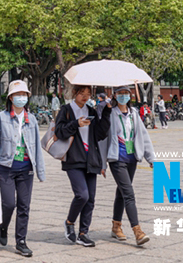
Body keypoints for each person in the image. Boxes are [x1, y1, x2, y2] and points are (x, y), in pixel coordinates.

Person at [0, 80, 45, 258]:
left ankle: (21, 241)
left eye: (24, 95)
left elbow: (36, 147)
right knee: (8, 204)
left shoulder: (32, 119)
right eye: (18, 95)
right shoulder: (0, 118)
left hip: (26, 169)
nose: (21, 98)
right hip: (6, 168)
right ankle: (3, 227)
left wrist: (40, 170)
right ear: (11, 97)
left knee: (24, 206)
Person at [55, 82, 112, 248]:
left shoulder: (91, 111)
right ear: (74, 93)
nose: (85, 96)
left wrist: (107, 112)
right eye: (81, 93)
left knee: (91, 199)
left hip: (91, 159)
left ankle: (83, 233)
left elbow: (100, 134)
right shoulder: (66, 110)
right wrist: (76, 124)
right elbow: (59, 132)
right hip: (74, 159)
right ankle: (69, 222)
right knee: (82, 195)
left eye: (88, 93)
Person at [99, 85, 154, 246]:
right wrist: (103, 163)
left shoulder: (134, 114)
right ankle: (137, 231)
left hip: (132, 159)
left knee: (122, 192)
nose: (123, 96)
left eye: (126, 93)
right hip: (117, 159)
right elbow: (103, 140)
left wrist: (151, 159)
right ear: (114, 95)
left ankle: (116, 226)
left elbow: (143, 136)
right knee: (129, 194)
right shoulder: (111, 114)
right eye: (120, 93)